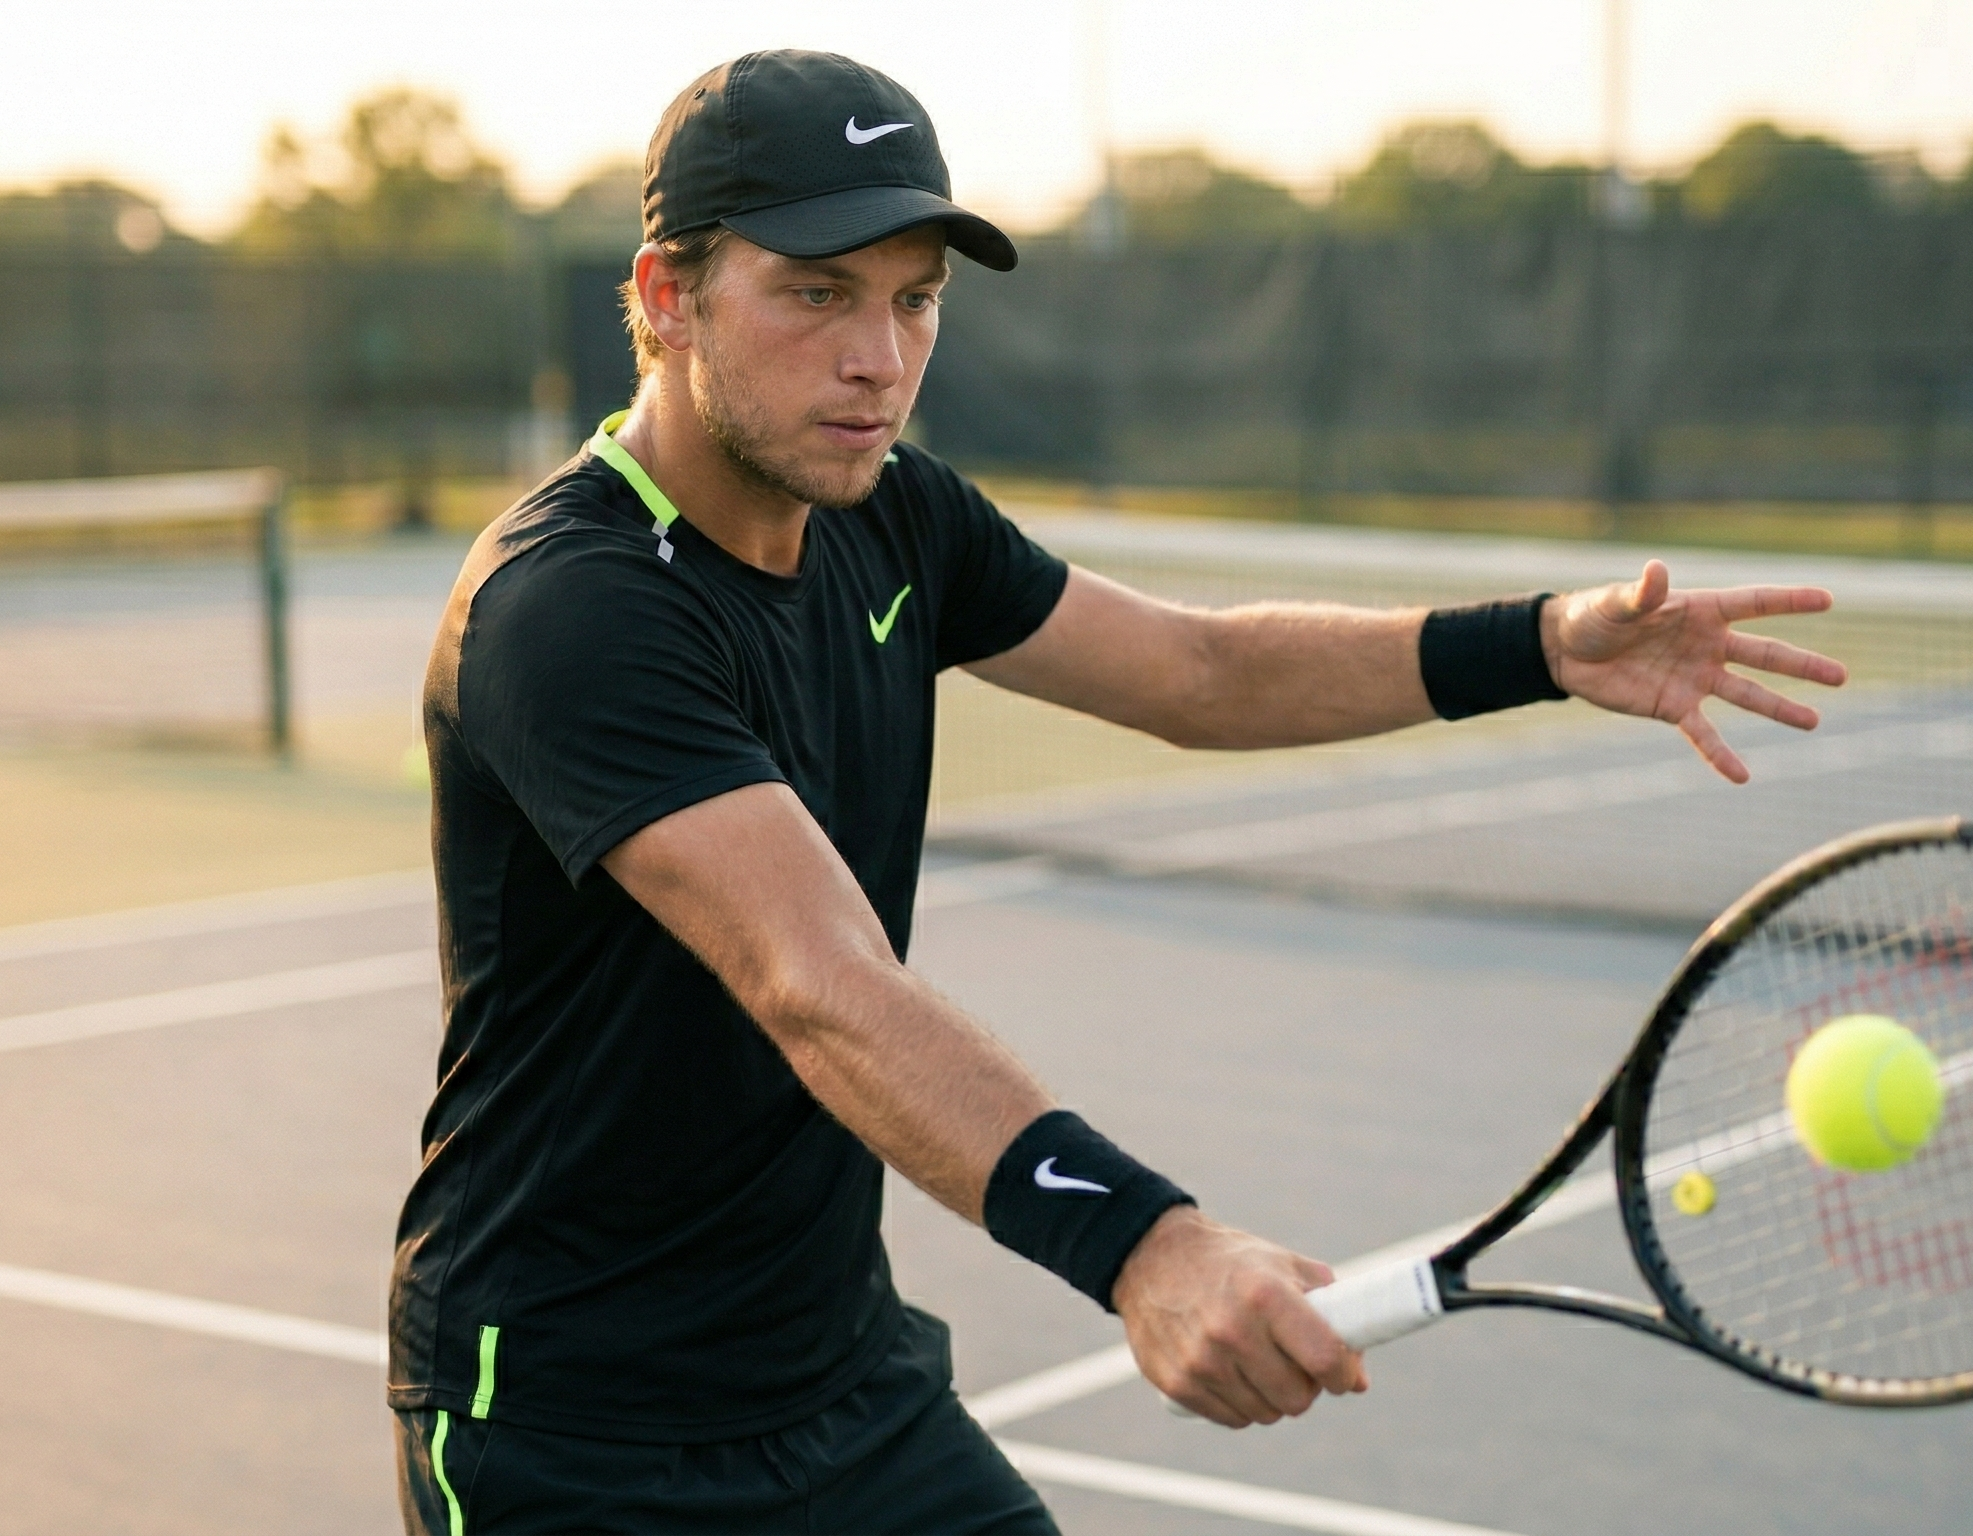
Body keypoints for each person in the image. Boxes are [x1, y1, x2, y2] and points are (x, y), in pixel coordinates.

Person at [388, 48, 1847, 1536]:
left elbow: (1196, 671)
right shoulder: (569, 609)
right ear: (664, 295)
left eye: (915, 299)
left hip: (841, 1384)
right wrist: (1147, 1248)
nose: (878, 358)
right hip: (571, 1432)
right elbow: (816, 979)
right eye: (817, 292)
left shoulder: (898, 519)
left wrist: (1537, 644)